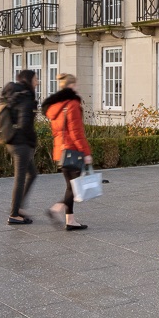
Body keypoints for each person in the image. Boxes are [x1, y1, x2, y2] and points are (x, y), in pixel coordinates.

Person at [42, 73, 92, 231]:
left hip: (61, 150)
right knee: (73, 187)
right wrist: (86, 152)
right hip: (73, 150)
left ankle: (70, 220)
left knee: (71, 186)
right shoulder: (72, 104)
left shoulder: (56, 106)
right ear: (72, 85)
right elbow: (76, 132)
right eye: (76, 85)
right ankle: (55, 209)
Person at [0, 69, 38, 225]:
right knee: (21, 178)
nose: (37, 82)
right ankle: (14, 214)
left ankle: (19, 207)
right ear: (29, 80)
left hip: (11, 140)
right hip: (21, 143)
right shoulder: (26, 97)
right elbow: (25, 124)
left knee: (32, 173)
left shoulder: (14, 93)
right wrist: (32, 141)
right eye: (36, 79)